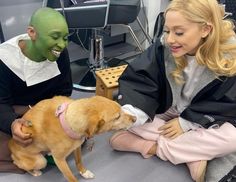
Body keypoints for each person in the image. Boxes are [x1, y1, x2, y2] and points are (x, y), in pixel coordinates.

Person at [109, 0, 236, 182]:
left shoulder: (230, 57)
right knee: (128, 118)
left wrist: (186, 123)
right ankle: (192, 154)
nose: (169, 39)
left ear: (205, 30)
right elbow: (141, 79)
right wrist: (135, 112)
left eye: (179, 32)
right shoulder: (163, 48)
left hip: (201, 117)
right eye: (167, 30)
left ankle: (149, 147)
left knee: (232, 138)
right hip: (170, 107)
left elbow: (225, 104)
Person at [0, 7, 73, 173]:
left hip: (46, 113)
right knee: (10, 145)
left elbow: (65, 90)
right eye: (55, 37)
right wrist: (12, 124)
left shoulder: (60, 51)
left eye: (66, 38)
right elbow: (1, 103)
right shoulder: (4, 58)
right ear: (32, 33)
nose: (61, 44)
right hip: (14, 112)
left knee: (76, 134)